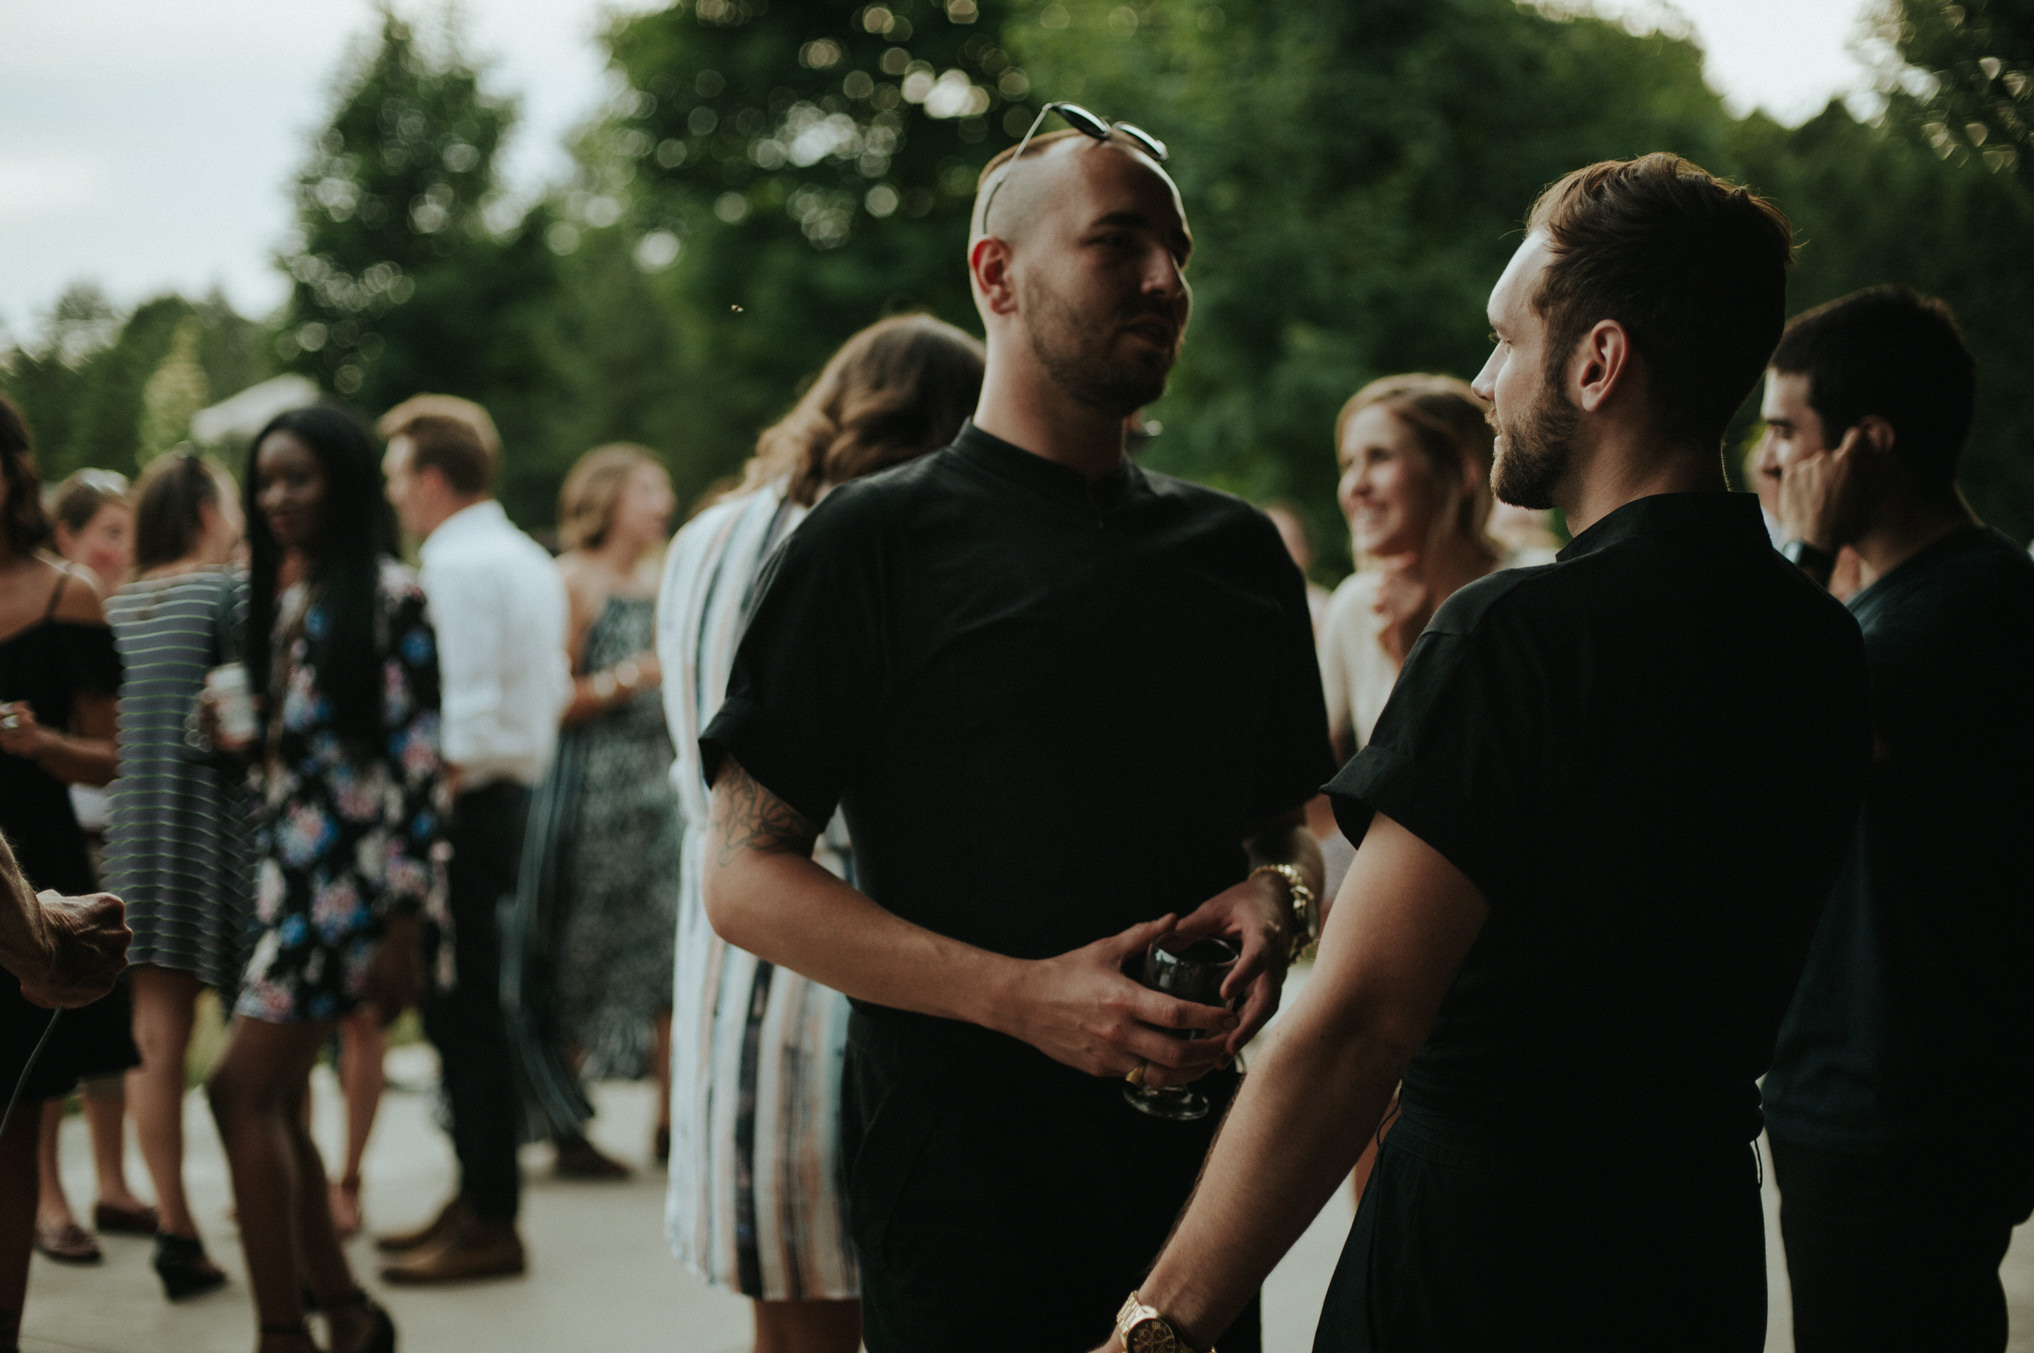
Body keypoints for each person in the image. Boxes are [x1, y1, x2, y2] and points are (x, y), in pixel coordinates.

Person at [1082, 153, 1875, 1353]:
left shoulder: (1521, 634)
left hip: (1489, 1264)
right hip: (1691, 1261)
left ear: (1598, 363)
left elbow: (1356, 1025)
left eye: (1508, 340)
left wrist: (1159, 1323)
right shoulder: (1820, 641)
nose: (1484, 377)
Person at [700, 108, 1332, 1353]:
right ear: (997, 274)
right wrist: (1025, 999)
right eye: (1119, 242)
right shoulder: (870, 545)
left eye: (1180, 250)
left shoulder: (1240, 555)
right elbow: (742, 880)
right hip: (956, 1191)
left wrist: (1282, 899)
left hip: (1196, 1199)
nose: (1166, 279)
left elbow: (1289, 830)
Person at [658, 313, 984, 1353]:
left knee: (786, 1317)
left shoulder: (705, 535)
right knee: (865, 1296)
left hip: (721, 955)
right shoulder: (879, 535)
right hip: (843, 945)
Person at [1758, 286, 2034, 1353]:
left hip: (1904, 1108)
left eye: (1788, 432)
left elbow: (1770, 740)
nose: (1769, 459)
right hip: (1865, 1094)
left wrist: (1809, 553)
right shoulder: (1902, 605)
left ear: (1869, 444)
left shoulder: (1968, 609)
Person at [202, 405, 440, 1353]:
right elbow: (314, 759)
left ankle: (282, 1329)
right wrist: (245, 742)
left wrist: (406, 923)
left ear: (340, 481)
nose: (276, 498)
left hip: (356, 899)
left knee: (234, 1093)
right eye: (264, 481)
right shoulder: (294, 603)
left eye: (297, 477)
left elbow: (418, 770)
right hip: (292, 888)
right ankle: (342, 1312)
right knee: (274, 1100)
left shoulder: (394, 597)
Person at [375, 394, 567, 1283]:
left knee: (464, 1015)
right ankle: (477, 1194)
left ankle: (491, 1213)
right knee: (467, 1010)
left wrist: (416, 828)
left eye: (396, 476)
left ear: (432, 477)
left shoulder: (453, 564)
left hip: (463, 807)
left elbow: (459, 713)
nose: (392, 495)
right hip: (509, 798)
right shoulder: (523, 554)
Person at [102, 451, 253, 1299]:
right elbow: (242, 718)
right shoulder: (224, 593)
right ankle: (269, 1210)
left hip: (137, 840)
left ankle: (174, 1226)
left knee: (155, 1041)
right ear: (204, 509)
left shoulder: (117, 603)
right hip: (221, 837)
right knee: (254, 1034)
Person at [507, 443, 678, 1179]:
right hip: (586, 801)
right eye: (648, 488)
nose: (662, 503)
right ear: (608, 498)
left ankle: (675, 1122)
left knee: (667, 954)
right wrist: (627, 678)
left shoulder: (660, 581)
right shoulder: (569, 580)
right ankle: (564, 1119)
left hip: (656, 794)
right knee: (579, 956)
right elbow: (547, 700)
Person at [0, 410, 139, 1278]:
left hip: (35, 859)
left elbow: (113, 755)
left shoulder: (68, 594)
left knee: (22, 1093)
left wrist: (42, 743)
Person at [38, 468, 152, 1258]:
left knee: (113, 1008)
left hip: (125, 833)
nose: (121, 549)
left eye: (129, 533)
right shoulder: (50, 615)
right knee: (49, 1012)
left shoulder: (142, 616)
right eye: (106, 532)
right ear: (65, 538)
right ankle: (49, 1193)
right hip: (58, 833)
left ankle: (114, 1180)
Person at [1317, 374, 1506, 763]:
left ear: (1460, 472)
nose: (1355, 485)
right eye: (1348, 464)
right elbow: (1305, 784)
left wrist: (1415, 661)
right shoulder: (1353, 604)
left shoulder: (1530, 586)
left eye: (1380, 456)